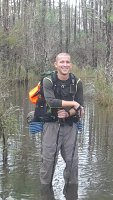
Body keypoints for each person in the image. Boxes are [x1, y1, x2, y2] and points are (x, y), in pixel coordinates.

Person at [40, 53, 84, 189]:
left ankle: (71, 195)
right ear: (56, 64)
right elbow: (51, 102)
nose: (65, 65)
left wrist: (67, 113)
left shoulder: (77, 82)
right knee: (48, 162)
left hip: (70, 126)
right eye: (62, 62)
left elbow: (80, 108)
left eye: (67, 62)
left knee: (73, 162)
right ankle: (46, 196)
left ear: (70, 65)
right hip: (51, 126)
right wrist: (72, 103)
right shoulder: (47, 81)